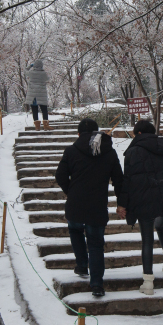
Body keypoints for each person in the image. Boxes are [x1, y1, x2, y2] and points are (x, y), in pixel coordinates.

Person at [118, 120, 163, 295]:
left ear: (139, 134)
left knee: (147, 238)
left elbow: (127, 180)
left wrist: (123, 204)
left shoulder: (133, 151)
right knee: (161, 225)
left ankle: (148, 283)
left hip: (145, 198)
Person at [55, 119, 123, 297]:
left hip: (76, 205)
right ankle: (97, 285)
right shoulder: (109, 152)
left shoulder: (71, 151)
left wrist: (70, 191)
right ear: (97, 133)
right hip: (97, 206)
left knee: (75, 230)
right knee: (95, 244)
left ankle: (82, 265)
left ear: (78, 134)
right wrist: (121, 202)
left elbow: (60, 175)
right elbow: (119, 180)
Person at [24, 59, 52, 131]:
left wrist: (30, 65)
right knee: (44, 110)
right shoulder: (44, 74)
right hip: (41, 95)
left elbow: (25, 71)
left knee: (34, 110)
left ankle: (37, 127)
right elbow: (48, 78)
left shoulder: (31, 73)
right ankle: (46, 126)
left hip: (33, 96)